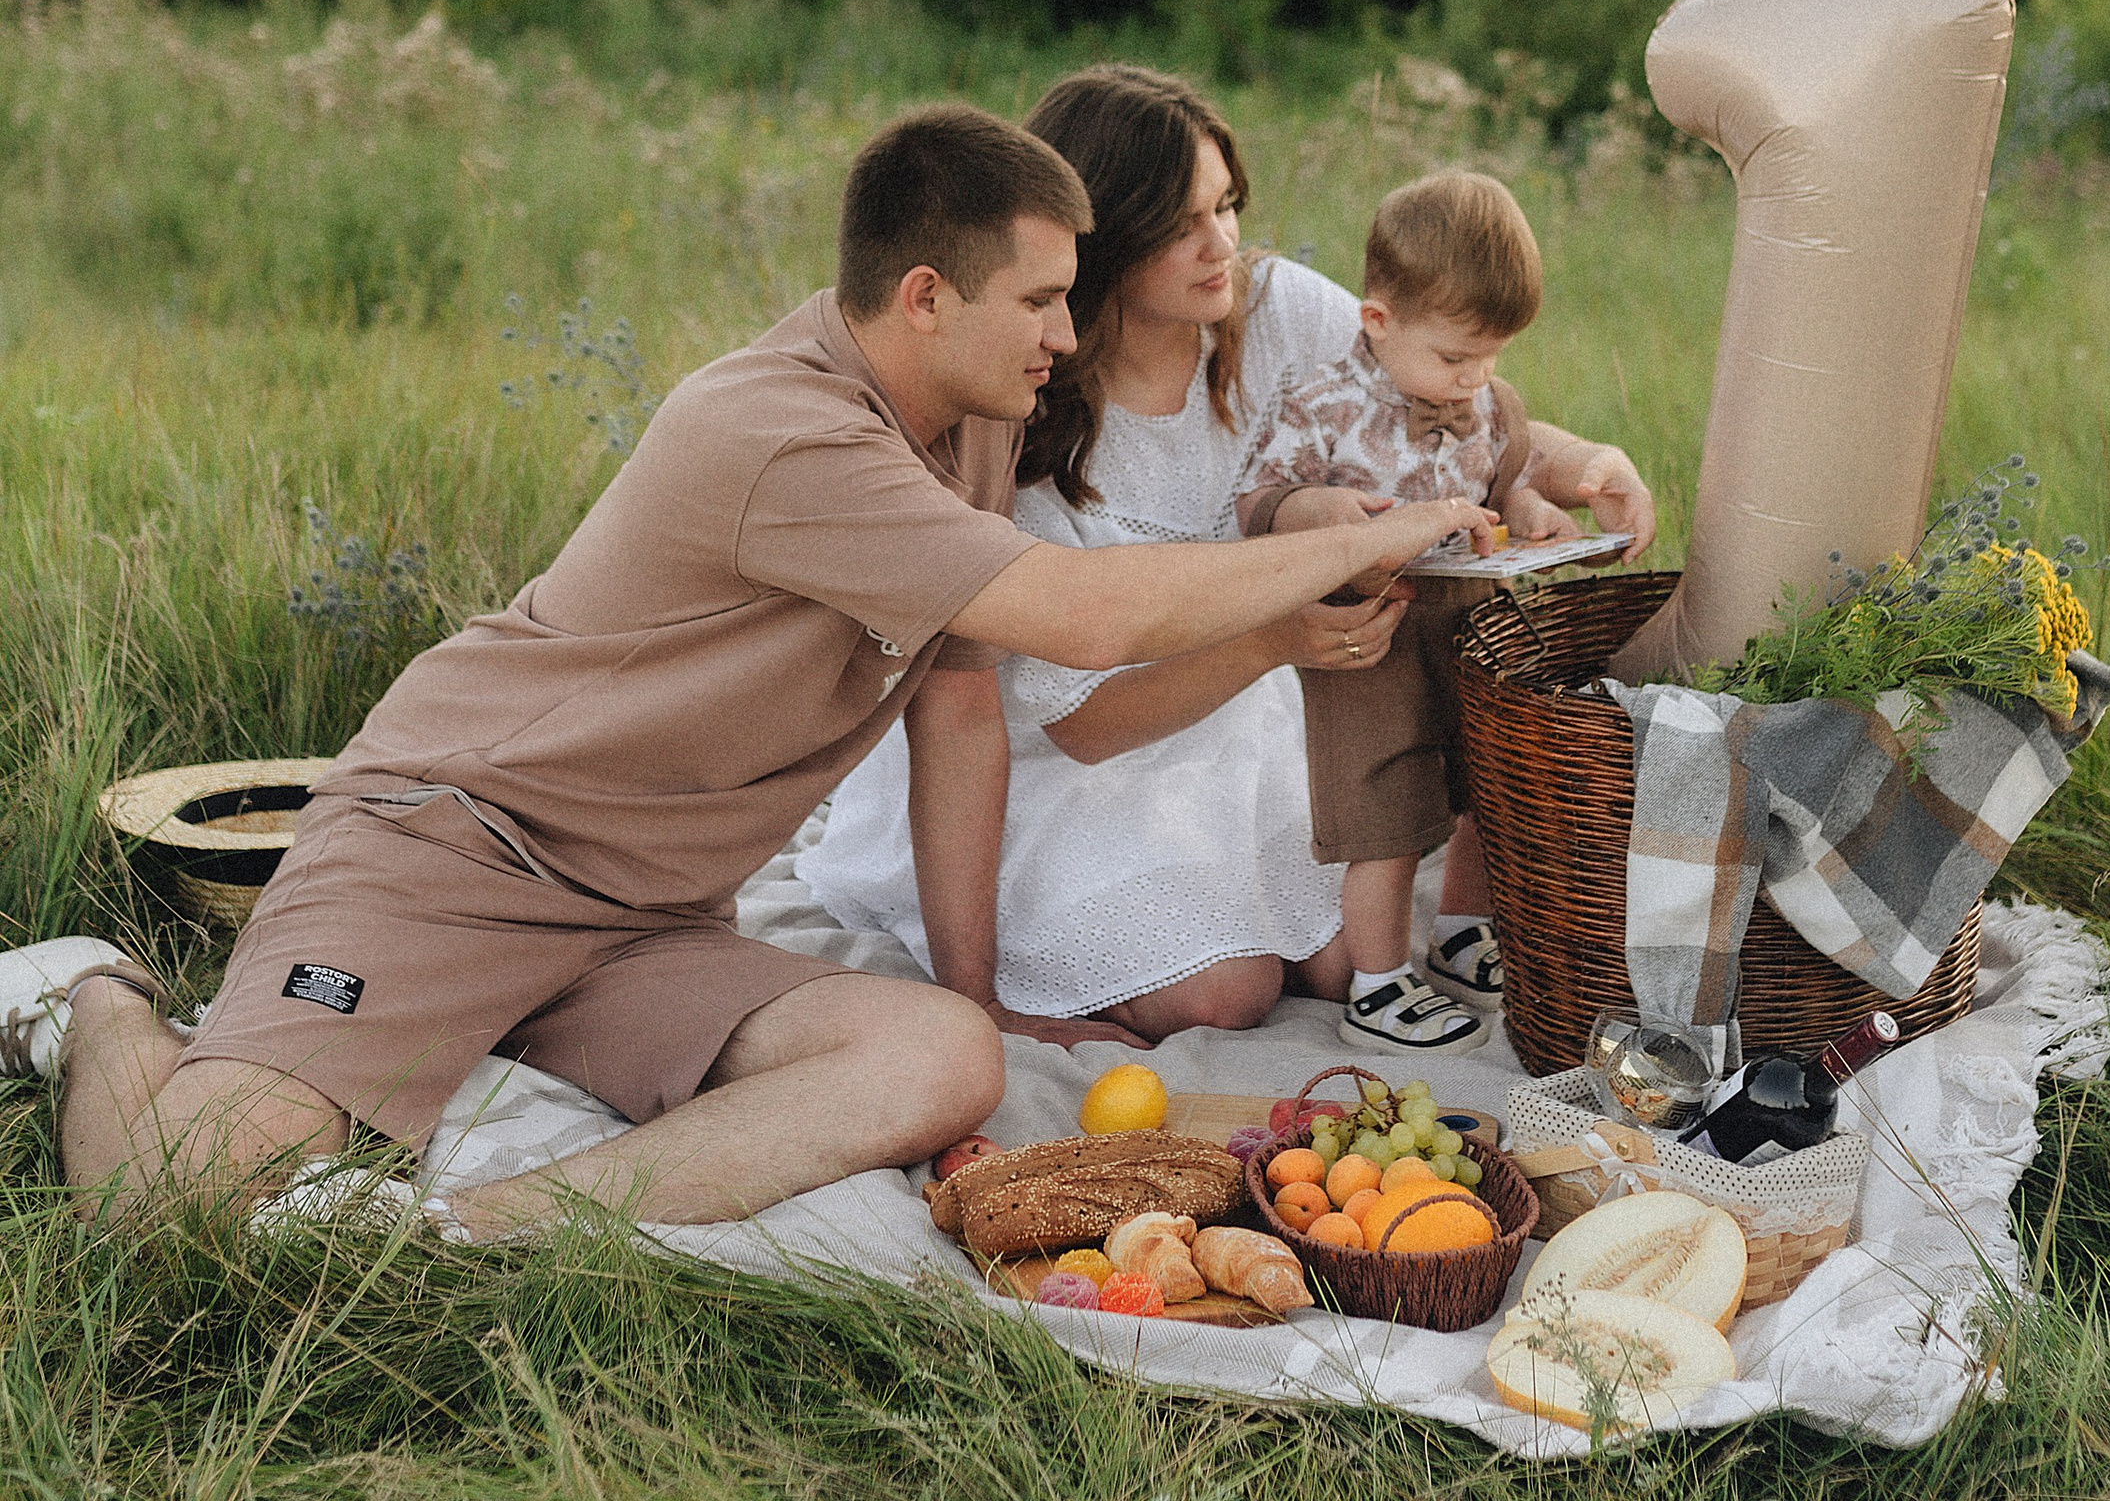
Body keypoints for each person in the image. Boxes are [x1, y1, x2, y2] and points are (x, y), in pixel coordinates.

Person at [0, 104, 1478, 1238]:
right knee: (172, 1201)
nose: (1068, 332)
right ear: (921, 296)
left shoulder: (968, 418)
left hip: (646, 918)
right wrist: (1392, 527)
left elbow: (961, 701)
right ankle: (101, 998)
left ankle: (468, 1234)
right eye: (1038, 300)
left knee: (940, 1061)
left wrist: (985, 998)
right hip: (453, 851)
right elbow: (1080, 618)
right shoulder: (778, 433)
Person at [806, 69, 1657, 1046]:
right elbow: (1081, 723)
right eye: (1182, 223)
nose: (1223, 245)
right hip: (1084, 741)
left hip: (1259, 704)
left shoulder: (1276, 308)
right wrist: (1273, 639)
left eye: (1227, 205)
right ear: (1099, 239)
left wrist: (1585, 462)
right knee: (1226, 992)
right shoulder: (1028, 404)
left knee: (1351, 956)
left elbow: (1443, 391)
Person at [1232, 170, 1582, 1056]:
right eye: (1456, 358)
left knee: (1482, 789)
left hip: (1471, 623)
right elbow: (1259, 503)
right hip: (1371, 630)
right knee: (1383, 815)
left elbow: (1507, 486)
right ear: (1378, 322)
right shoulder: (1322, 407)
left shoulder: (1492, 405)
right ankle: (1378, 983)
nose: (1476, 379)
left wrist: (1534, 512)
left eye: (1493, 355)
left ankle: (1464, 933)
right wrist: (1321, 517)